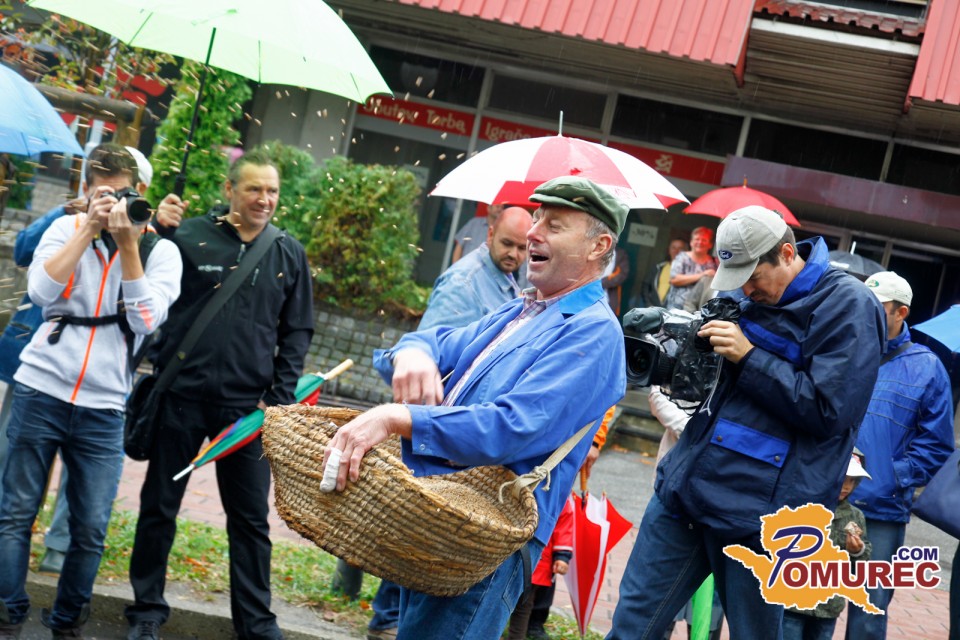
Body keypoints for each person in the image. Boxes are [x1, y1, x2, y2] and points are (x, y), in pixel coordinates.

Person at [324, 176, 626, 639]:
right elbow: (433, 341)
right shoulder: (524, 308)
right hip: (444, 516)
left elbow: (513, 426)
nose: (533, 233)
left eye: (554, 225)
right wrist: (413, 355)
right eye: (537, 218)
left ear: (598, 246)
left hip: (490, 537)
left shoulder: (593, 331)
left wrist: (396, 416)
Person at [607, 205, 885, 639]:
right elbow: (711, 371)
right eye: (737, 279)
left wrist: (750, 357)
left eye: (753, 277)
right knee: (631, 628)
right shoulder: (745, 293)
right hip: (687, 489)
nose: (747, 290)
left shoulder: (850, 304)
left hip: (766, 519)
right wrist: (673, 331)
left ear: (787, 254)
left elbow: (830, 412)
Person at [124, 149, 315, 640]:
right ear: (230, 190)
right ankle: (146, 613)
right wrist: (159, 227)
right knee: (158, 507)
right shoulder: (188, 237)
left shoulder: (287, 252)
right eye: (254, 189)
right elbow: (144, 278)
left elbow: (297, 331)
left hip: (246, 410)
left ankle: (256, 624)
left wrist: (277, 400)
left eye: (272, 191)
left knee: (250, 521)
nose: (264, 199)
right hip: (181, 397)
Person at [0, 143, 182, 638]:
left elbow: (146, 320)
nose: (113, 203)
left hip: (103, 404)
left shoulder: (161, 252)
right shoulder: (65, 229)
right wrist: (86, 229)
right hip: (40, 388)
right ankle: (8, 613)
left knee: (90, 528)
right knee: (14, 513)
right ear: (86, 191)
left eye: (122, 193)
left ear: (138, 192)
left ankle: (66, 622)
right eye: (103, 193)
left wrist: (128, 245)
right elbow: (40, 293)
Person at [844, 271, 955, 640]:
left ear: (900, 312)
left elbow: (937, 445)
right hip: (823, 498)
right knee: (803, 603)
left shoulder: (927, 368)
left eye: (876, 308)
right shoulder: (841, 349)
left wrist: (892, 477)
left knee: (868, 613)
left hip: (881, 510)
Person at [782, 451, 872, 640]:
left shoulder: (855, 516)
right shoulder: (801, 506)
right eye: (843, 478)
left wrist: (857, 551)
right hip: (793, 603)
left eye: (852, 481)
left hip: (829, 606)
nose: (846, 486)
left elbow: (861, 567)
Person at [419, 206, 532, 330]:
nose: (513, 254)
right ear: (490, 235)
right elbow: (429, 340)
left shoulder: (503, 275)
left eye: (522, 248)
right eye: (507, 243)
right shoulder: (462, 284)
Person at [506, 496, 573, 640]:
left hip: (538, 563)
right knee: (504, 600)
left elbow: (564, 528)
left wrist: (562, 556)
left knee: (524, 604)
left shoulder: (561, 499)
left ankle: (518, 635)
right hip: (513, 554)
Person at [663, 227, 717, 310]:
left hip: (700, 310)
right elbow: (674, 280)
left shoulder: (714, 262)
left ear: (710, 245)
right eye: (697, 239)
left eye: (704, 240)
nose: (700, 242)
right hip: (677, 308)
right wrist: (703, 274)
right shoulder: (681, 257)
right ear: (691, 242)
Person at [637, 238, 687, 308]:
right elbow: (645, 287)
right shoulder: (659, 267)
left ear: (686, 252)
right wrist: (648, 304)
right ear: (669, 250)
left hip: (673, 311)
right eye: (673, 248)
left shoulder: (688, 273)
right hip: (652, 309)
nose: (676, 251)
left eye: (680, 248)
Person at [601, 246, 630, 316]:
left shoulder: (620, 254)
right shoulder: (593, 250)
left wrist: (600, 283)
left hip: (608, 298)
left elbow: (622, 275)